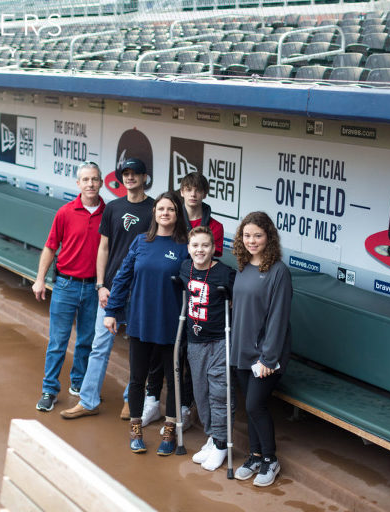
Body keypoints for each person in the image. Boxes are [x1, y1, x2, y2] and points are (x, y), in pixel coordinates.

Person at [61, 158, 154, 419]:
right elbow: (103, 248)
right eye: (126, 173)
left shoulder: (155, 208)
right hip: (112, 289)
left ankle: (131, 399)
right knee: (99, 346)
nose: (130, 177)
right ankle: (88, 401)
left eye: (136, 173)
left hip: (140, 291)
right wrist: (101, 285)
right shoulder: (113, 207)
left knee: (137, 349)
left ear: (144, 177)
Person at [104, 191, 189, 455]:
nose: (165, 213)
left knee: (173, 380)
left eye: (171, 209)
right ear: (154, 213)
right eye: (161, 208)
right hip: (140, 320)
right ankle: (136, 427)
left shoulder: (185, 246)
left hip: (171, 324)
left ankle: (170, 429)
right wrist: (112, 311)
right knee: (138, 379)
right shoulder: (141, 241)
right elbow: (122, 277)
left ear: (178, 215)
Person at [141, 171, 226, 428]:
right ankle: (152, 400)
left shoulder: (216, 226)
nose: (193, 194)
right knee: (160, 349)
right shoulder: (173, 220)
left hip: (198, 300)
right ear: (181, 191)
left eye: (197, 189)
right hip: (170, 294)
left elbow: (210, 264)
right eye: (188, 189)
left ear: (204, 193)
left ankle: (184, 407)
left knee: (188, 356)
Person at [32, 162, 105, 412]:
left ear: (101, 182)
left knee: (87, 340)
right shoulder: (65, 212)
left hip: (94, 287)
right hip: (66, 284)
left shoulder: (109, 213)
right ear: (78, 184)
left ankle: (78, 383)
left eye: (95, 179)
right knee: (58, 342)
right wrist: (40, 278)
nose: (90, 184)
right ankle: (49, 390)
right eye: (85, 180)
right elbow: (51, 246)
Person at [230, 211, 293, 487]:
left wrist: (269, 357)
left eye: (258, 235)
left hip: (266, 356)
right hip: (241, 350)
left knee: (256, 405)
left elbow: (279, 318)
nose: (252, 241)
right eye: (247, 236)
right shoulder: (243, 265)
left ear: (269, 237)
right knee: (249, 405)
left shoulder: (278, 271)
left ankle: (270, 459)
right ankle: (255, 456)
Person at [179, 226, 235, 471]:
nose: (200, 250)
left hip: (219, 342)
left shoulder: (225, 274)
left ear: (213, 249)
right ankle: (212, 437)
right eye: (195, 246)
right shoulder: (184, 268)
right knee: (201, 393)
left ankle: (222, 444)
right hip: (195, 341)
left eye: (205, 245)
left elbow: (237, 302)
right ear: (189, 248)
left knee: (219, 394)